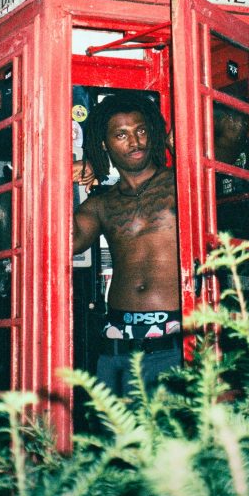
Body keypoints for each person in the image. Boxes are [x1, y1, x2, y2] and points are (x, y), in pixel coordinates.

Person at [73, 94, 181, 396]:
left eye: (141, 130)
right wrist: (62, 179)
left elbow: (229, 135)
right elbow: (69, 242)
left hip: (176, 343)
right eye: (121, 135)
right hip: (117, 347)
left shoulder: (181, 183)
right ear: (104, 144)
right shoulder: (102, 204)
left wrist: (178, 143)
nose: (135, 142)